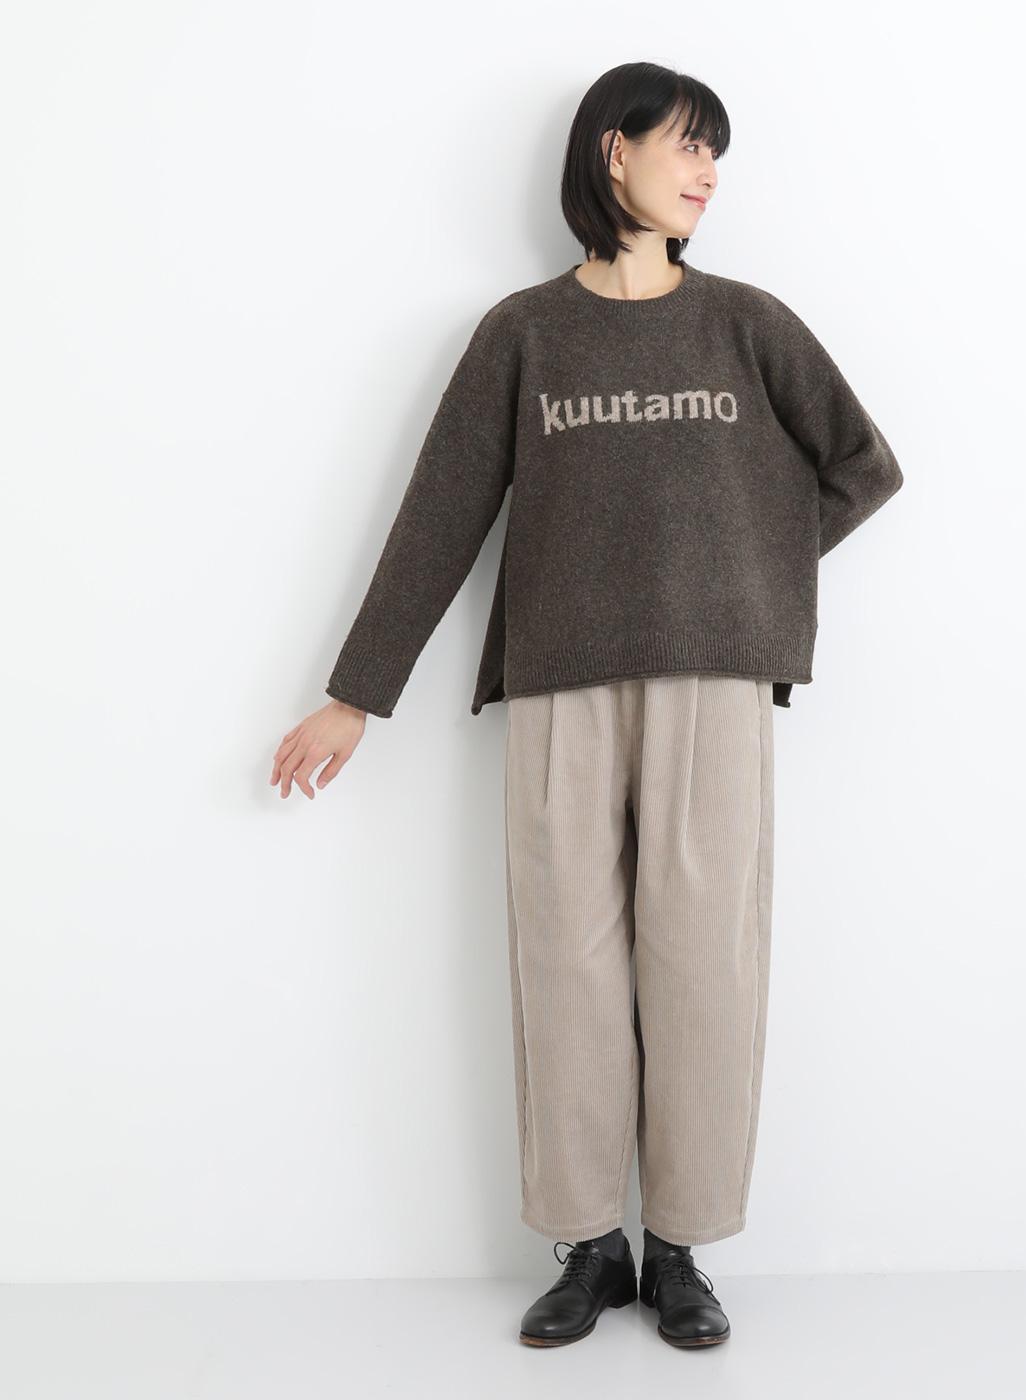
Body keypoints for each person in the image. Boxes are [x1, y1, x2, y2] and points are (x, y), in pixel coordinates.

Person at [271, 61, 903, 1350]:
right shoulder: (523, 334)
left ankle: (680, 1247)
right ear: (616, 151)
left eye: (718, 154)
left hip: (713, 689)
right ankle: (588, 1244)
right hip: (559, 682)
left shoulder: (747, 324)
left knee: (704, 962)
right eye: (690, 145)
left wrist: (749, 578)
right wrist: (355, 695)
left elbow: (861, 465)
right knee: (565, 958)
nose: (709, 173)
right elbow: (442, 516)